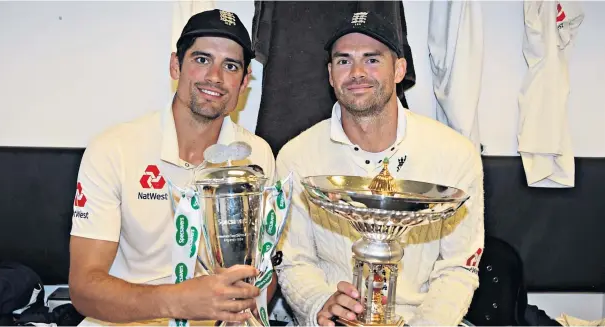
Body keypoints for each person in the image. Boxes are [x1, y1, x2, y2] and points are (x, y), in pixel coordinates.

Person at [274, 11, 485, 326]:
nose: (357, 72)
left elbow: (457, 268)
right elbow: (293, 262)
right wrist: (320, 304)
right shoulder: (296, 155)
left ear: (399, 69)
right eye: (344, 61)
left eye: (372, 60)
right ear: (331, 74)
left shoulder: (455, 153)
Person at [69, 9, 277, 324]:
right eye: (202, 60)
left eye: (230, 66)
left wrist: (243, 306)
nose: (215, 77)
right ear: (175, 65)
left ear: (245, 81)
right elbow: (84, 288)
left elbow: (262, 269)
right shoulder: (114, 148)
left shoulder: (256, 156)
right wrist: (177, 302)